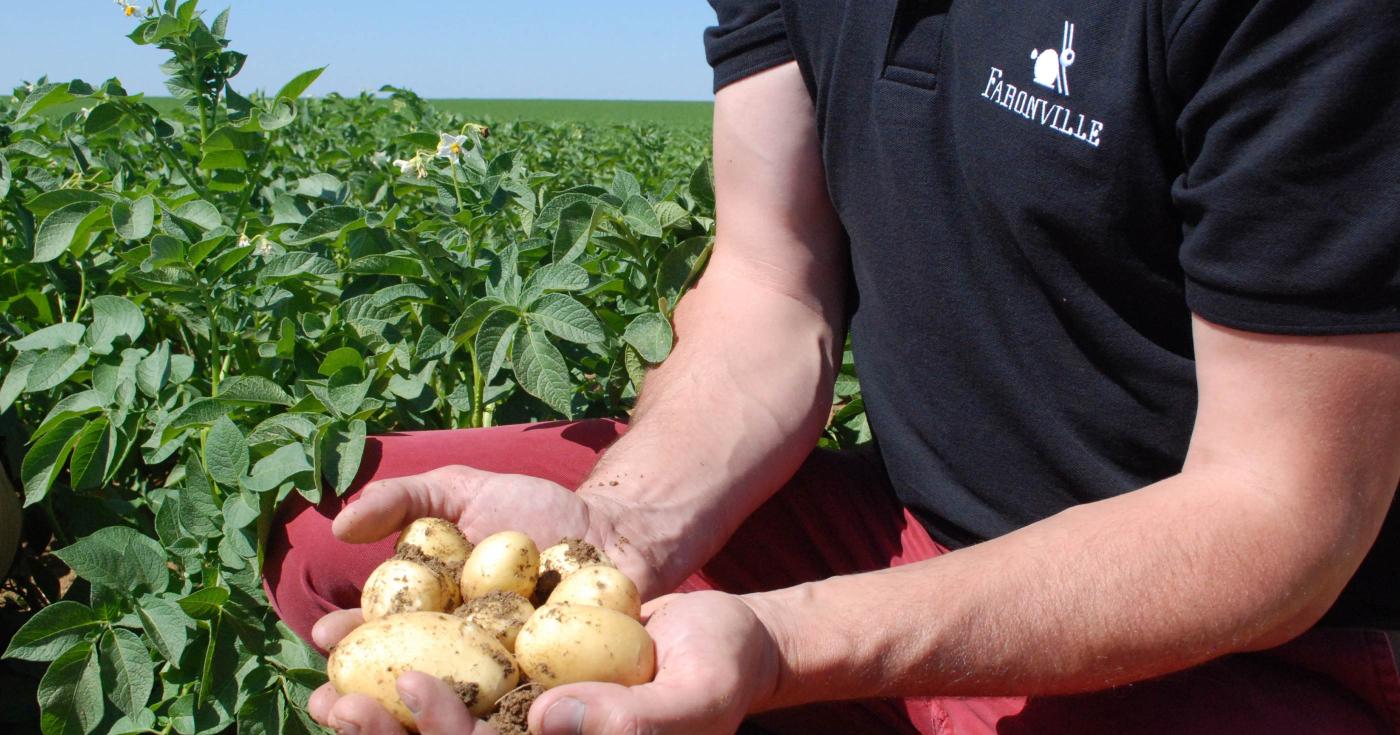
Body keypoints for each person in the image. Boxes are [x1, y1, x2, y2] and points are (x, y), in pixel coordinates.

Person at [268, 1, 1400, 733]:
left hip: (1224, 632)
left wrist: (785, 642)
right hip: (907, 530)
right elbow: (770, 284)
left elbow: (1278, 516)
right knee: (336, 545)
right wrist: (615, 530)